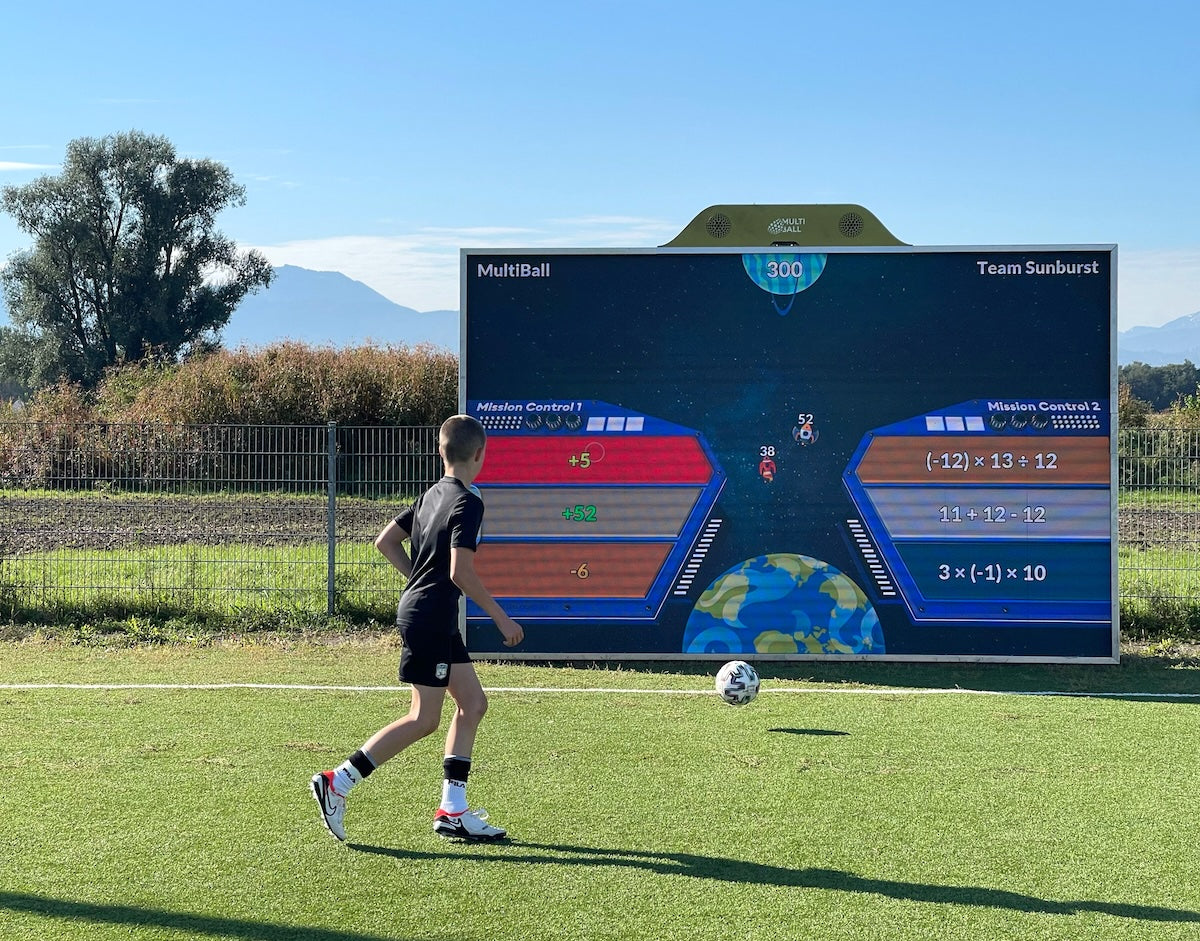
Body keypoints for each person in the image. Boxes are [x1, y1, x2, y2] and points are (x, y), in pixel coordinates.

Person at [310, 414, 524, 843]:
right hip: (429, 616)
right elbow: (461, 571)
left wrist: (417, 580)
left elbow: (384, 541)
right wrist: (500, 616)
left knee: (473, 704)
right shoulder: (469, 501)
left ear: (440, 452)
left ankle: (452, 810)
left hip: (429, 613)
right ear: (480, 454)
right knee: (423, 718)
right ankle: (338, 782)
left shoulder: (430, 495)